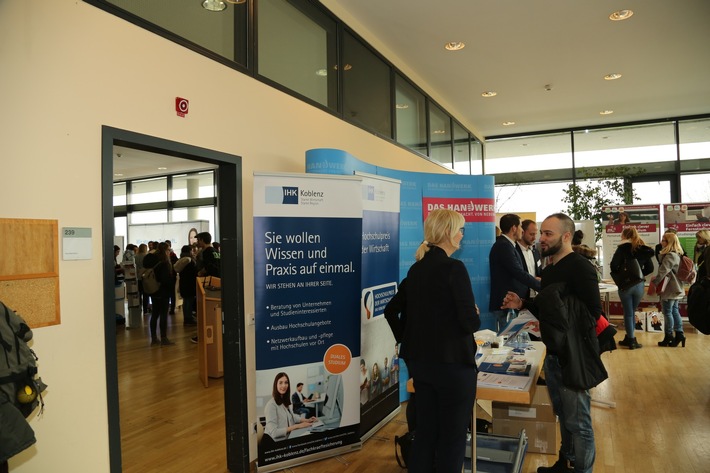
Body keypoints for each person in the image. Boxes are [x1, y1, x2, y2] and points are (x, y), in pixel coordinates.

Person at [502, 213, 604, 473]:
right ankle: (566, 462)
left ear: (566, 236)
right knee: (565, 416)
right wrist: (523, 304)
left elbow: (592, 313)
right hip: (554, 355)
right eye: (542, 233)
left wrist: (565, 330)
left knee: (579, 423)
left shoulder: (580, 268)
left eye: (548, 234)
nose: (541, 239)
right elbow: (548, 310)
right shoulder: (549, 270)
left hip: (574, 357)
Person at [390, 208, 480, 473]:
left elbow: (401, 313)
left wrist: (405, 339)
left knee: (427, 432)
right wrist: (472, 313)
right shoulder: (454, 268)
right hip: (452, 366)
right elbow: (469, 324)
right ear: (449, 233)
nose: (462, 234)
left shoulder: (416, 270)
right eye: (460, 229)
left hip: (421, 364)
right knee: (452, 438)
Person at [489, 214, 541, 332]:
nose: (522, 231)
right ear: (514, 228)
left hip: (511, 304)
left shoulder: (507, 246)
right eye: (521, 227)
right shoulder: (503, 246)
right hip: (506, 304)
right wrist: (541, 286)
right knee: (509, 343)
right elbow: (518, 272)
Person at [609, 227, 654, 349]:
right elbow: (650, 268)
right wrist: (639, 275)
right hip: (639, 285)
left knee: (628, 313)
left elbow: (614, 266)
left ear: (624, 235)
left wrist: (623, 275)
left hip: (626, 285)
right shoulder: (643, 249)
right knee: (632, 312)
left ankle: (631, 340)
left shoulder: (622, 248)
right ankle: (629, 337)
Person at [653, 232, 686, 347]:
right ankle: (679, 334)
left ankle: (668, 336)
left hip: (669, 288)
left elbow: (663, 271)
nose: (661, 242)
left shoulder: (670, 255)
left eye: (663, 240)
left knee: (667, 312)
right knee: (674, 311)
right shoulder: (677, 254)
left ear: (669, 242)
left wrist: (655, 283)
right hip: (675, 288)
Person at [263, 372, 316, 441]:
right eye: (280, 382)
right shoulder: (271, 405)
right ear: (276, 385)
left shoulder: (284, 402)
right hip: (273, 443)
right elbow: (274, 433)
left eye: (286, 382)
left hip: (288, 437)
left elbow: (293, 417)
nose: (284, 385)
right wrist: (298, 426)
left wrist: (307, 420)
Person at [146, 242, 175, 346]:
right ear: (165, 250)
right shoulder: (164, 262)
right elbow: (165, 279)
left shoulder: (152, 259)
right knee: (163, 314)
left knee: (154, 314)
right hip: (163, 291)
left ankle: (154, 338)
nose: (169, 251)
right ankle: (164, 338)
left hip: (153, 290)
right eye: (168, 250)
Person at [517, 219, 541, 298]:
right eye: (531, 234)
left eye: (535, 234)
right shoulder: (513, 251)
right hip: (520, 298)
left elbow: (539, 271)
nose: (534, 238)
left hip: (536, 297)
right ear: (522, 232)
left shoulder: (536, 252)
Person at [175, 245, 197, 326]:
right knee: (189, 301)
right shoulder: (189, 260)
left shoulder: (181, 260)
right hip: (190, 284)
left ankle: (186, 318)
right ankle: (188, 319)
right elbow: (194, 272)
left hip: (183, 283)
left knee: (186, 301)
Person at [134, 243, 149, 314]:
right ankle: (145, 310)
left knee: (139, 294)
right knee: (146, 294)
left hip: (138, 277)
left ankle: (139, 308)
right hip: (145, 277)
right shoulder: (146, 256)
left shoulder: (136, 256)